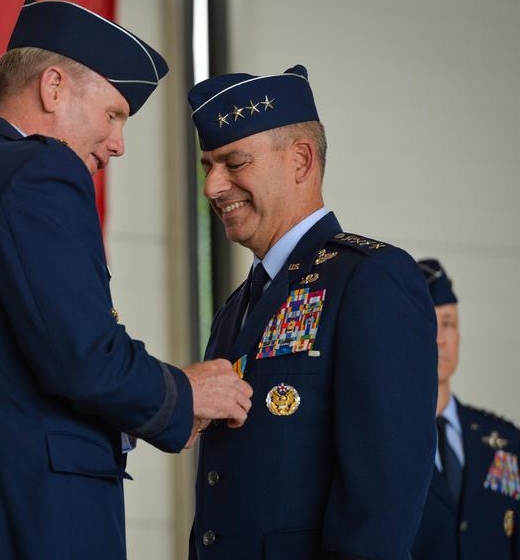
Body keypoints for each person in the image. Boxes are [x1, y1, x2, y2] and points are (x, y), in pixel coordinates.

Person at [0, 0, 252, 559]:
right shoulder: (40, 172)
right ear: (53, 88)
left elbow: (1, 382)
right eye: (114, 114)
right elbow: (82, 356)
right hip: (36, 528)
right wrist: (184, 392)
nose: (118, 143)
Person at [187, 65, 438, 559]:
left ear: (300, 160)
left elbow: (383, 498)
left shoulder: (370, 279)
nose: (213, 187)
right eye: (207, 166)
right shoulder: (240, 303)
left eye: (233, 163)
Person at [412, 259, 520, 558]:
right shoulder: (385, 440)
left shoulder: (506, 442)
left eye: (448, 323)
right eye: (429, 323)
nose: (440, 339)